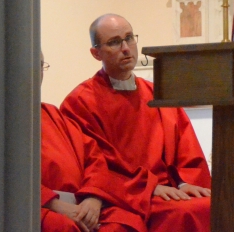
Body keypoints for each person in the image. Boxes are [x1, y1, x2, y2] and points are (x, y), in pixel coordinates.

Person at [61, 15, 211, 232]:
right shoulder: (81, 102)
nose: (126, 48)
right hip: (126, 196)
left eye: (129, 38)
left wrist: (185, 182)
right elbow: (95, 163)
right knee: (185, 212)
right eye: (114, 42)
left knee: (210, 205)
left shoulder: (157, 94)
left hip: (168, 190)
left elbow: (186, 148)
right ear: (96, 53)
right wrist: (149, 188)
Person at [40, 53, 149, 232]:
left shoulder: (53, 114)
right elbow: (9, 180)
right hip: (41, 206)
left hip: (82, 201)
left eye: (40, 65)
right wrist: (54, 204)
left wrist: (93, 197)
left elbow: (94, 158)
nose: (35, 73)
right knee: (61, 226)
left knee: (126, 222)